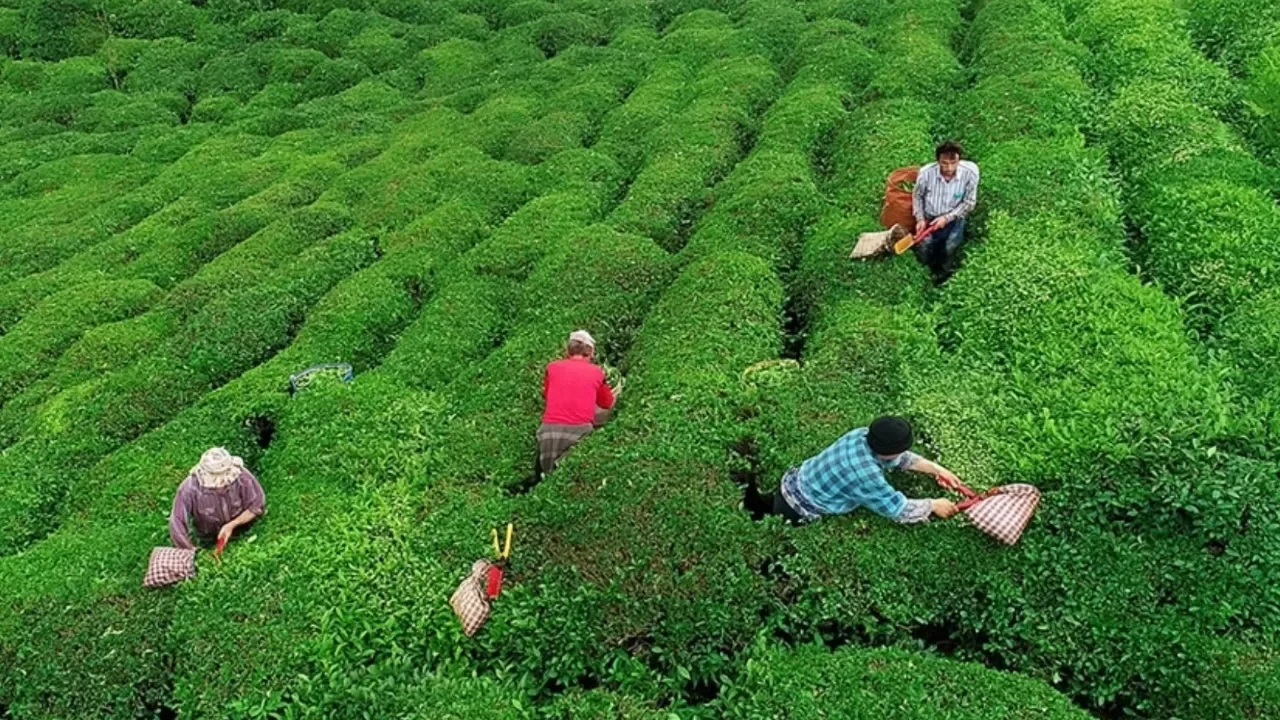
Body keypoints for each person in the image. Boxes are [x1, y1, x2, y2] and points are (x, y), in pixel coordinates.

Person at [746, 416, 959, 525]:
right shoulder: (865, 476)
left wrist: (936, 469)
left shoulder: (860, 435)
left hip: (794, 481)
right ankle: (753, 511)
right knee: (770, 518)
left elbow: (901, 458)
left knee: (765, 504)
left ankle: (753, 503)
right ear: (890, 452)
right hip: (801, 506)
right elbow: (896, 509)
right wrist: (933, 505)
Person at [535, 329, 621, 480]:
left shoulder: (552, 367)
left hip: (548, 431)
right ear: (591, 353)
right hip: (580, 431)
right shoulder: (596, 372)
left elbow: (547, 395)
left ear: (567, 350)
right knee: (569, 477)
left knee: (549, 478)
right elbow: (606, 403)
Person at [169, 447, 266, 551]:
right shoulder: (190, 488)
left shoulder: (242, 476)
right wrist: (190, 549)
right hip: (208, 537)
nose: (221, 486)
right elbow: (177, 521)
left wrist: (232, 524)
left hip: (243, 529)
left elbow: (257, 504)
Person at [912, 141, 980, 284]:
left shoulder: (970, 173)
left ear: (959, 160)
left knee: (950, 246)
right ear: (938, 161)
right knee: (924, 246)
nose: (949, 168)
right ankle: (922, 274)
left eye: (953, 162)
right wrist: (920, 218)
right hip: (929, 217)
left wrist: (947, 218)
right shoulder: (925, 174)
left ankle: (942, 275)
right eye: (944, 163)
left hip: (955, 218)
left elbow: (969, 203)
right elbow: (917, 196)